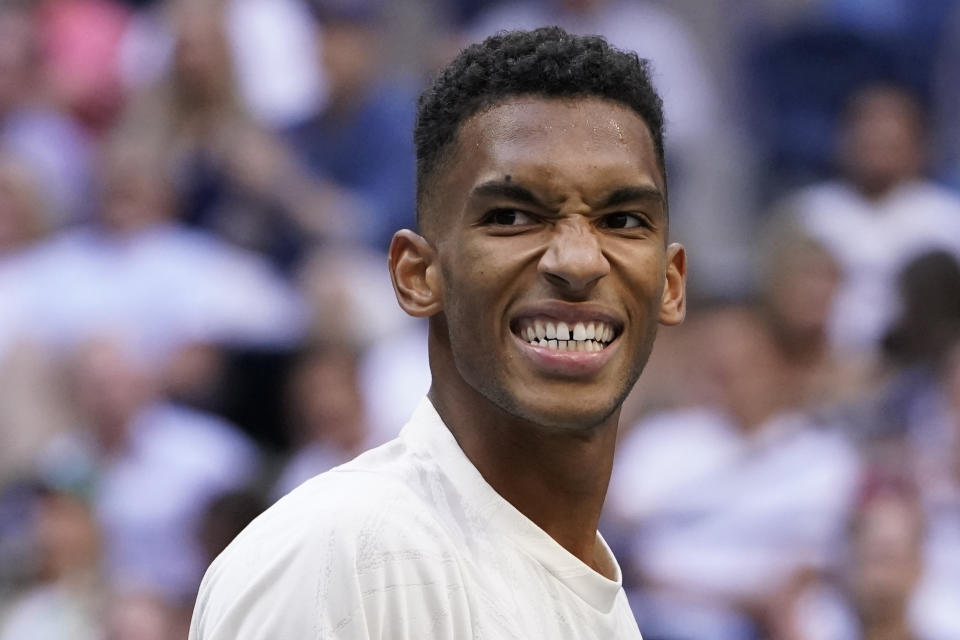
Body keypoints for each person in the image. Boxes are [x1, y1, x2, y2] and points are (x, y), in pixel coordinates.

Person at [189, 26, 686, 639]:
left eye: (622, 219)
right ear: (417, 276)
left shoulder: (596, 602)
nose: (578, 260)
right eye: (512, 216)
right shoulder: (337, 557)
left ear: (670, 282)